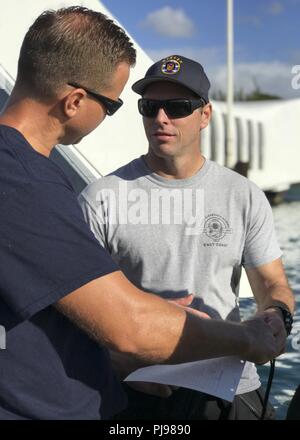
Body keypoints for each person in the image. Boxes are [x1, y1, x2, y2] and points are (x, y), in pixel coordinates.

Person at [78, 55, 295, 420]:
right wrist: (115, 360)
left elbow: (272, 283)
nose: (161, 118)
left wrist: (276, 314)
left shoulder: (243, 195)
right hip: (137, 386)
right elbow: (77, 307)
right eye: (150, 107)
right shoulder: (100, 198)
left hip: (228, 382)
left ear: (205, 115)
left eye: (177, 107)